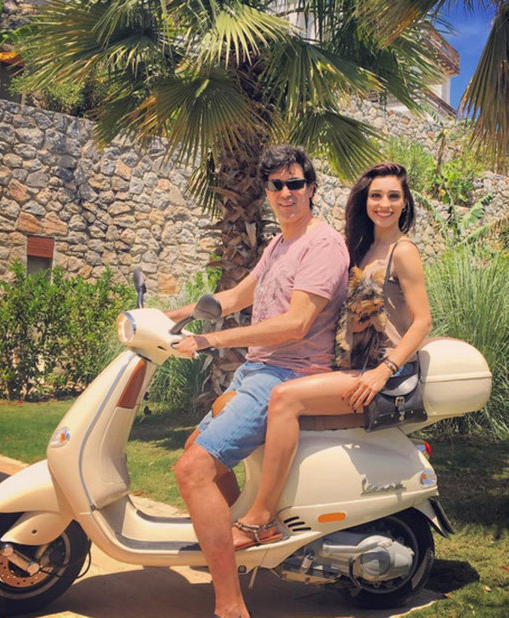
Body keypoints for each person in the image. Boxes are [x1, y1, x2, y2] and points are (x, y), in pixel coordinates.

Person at [168, 144, 349, 618]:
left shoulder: (322, 245)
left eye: (295, 184)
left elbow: (296, 324)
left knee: (193, 470)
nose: (286, 193)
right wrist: (171, 316)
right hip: (257, 371)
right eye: (276, 185)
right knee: (194, 451)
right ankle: (236, 540)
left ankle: (230, 606)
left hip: (289, 373)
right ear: (266, 191)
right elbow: (233, 297)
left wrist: (209, 340)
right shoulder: (279, 244)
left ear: (311, 188)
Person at [231, 162, 432, 551]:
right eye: (376, 196)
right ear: (365, 201)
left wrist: (383, 371)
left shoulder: (403, 251)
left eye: (393, 196)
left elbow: (422, 321)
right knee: (255, 402)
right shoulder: (361, 248)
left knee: (284, 398)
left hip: (384, 376)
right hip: (354, 368)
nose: (384, 204)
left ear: (405, 203)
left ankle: (261, 520)